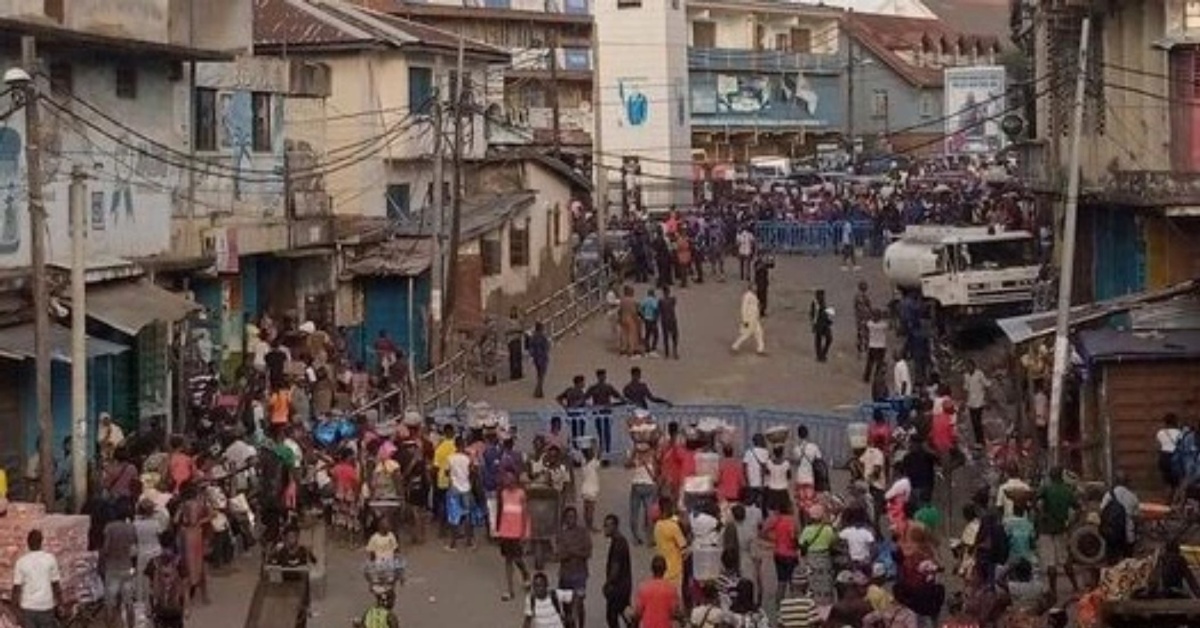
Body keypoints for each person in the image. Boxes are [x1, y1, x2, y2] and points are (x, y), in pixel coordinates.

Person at [1036, 467, 1079, 598]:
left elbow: (1037, 502)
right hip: (1061, 528)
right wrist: (1071, 523)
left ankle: (1053, 590)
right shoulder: (1067, 491)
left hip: (1046, 529)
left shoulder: (1046, 489)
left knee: (1051, 562)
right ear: (1061, 476)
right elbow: (1078, 507)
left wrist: (1042, 514)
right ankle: (1075, 586)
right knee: (1065, 558)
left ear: (1050, 476)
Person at [13, 530, 62, 628]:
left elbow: (16, 588)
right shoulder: (50, 559)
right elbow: (55, 585)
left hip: (28, 607)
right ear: (41, 542)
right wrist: (60, 603)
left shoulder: (21, 562)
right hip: (46, 606)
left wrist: (15, 609)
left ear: (28, 543)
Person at [496, 472, 532, 601]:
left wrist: (525, 532)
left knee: (517, 559)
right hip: (506, 532)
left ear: (515, 481)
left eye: (510, 480)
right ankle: (509, 590)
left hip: (517, 532)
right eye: (506, 480)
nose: (507, 482)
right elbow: (501, 512)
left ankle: (525, 573)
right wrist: (498, 530)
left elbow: (525, 514)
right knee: (508, 560)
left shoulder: (521, 494)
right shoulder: (503, 494)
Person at [557, 506, 592, 628]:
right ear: (564, 519)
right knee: (566, 606)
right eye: (568, 517)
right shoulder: (561, 534)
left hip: (580, 575)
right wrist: (577, 552)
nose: (571, 519)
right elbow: (560, 555)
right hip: (565, 575)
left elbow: (587, 553)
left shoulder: (583, 533)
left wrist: (570, 551)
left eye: (573, 516)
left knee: (579, 604)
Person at [762, 501, 799, 607]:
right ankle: (795, 605)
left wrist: (773, 539)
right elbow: (793, 536)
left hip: (778, 553)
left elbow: (764, 531)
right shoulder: (792, 521)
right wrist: (797, 544)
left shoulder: (776, 520)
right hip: (791, 554)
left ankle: (778, 605)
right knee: (793, 582)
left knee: (781, 582)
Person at [1099, 472, 1139, 562]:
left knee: (1112, 561)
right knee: (1127, 563)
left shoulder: (1109, 495)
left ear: (1116, 481)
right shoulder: (1132, 497)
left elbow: (1102, 510)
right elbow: (1136, 517)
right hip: (1127, 535)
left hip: (1112, 533)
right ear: (1127, 482)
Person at [146, 542, 187, 628]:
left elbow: (151, 589)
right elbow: (154, 593)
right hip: (167, 609)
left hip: (169, 610)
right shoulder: (178, 561)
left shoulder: (155, 562)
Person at [586, 369, 625, 458]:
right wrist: (589, 406)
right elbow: (585, 398)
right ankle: (602, 451)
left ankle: (607, 451)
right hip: (598, 413)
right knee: (600, 432)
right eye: (601, 376)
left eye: (604, 376)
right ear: (598, 377)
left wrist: (625, 401)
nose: (603, 377)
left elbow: (618, 396)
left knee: (607, 432)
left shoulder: (608, 387)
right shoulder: (593, 388)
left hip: (607, 413)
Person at [632, 556, 680, 628]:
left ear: (652, 569)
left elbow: (638, 613)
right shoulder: (671, 589)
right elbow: (674, 612)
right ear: (665, 569)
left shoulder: (643, 588)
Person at [602, 515, 632, 628]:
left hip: (618, 588)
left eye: (607, 526)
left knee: (612, 616)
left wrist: (608, 584)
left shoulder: (618, 544)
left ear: (614, 526)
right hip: (624, 586)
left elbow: (616, 567)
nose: (605, 528)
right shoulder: (620, 541)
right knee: (624, 613)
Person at [652, 498, 688, 585]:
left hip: (662, 568)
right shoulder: (673, 527)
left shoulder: (657, 525)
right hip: (674, 571)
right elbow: (684, 548)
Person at [963, 360, 991, 448]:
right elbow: (966, 389)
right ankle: (978, 441)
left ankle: (981, 441)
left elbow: (986, 385)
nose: (969, 368)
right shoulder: (966, 376)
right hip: (971, 402)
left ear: (974, 366)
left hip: (979, 401)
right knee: (974, 422)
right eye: (967, 366)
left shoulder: (979, 374)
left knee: (977, 421)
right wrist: (964, 402)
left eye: (970, 366)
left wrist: (987, 399)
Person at [731, 284, 765, 355]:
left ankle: (760, 349)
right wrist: (745, 320)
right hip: (749, 318)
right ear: (751, 287)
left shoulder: (754, 295)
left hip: (754, 318)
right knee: (746, 334)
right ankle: (735, 346)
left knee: (759, 333)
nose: (756, 288)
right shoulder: (747, 296)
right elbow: (743, 308)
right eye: (754, 287)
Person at [1157, 413, 1184, 491]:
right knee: (1178, 480)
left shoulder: (1160, 433)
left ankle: (1169, 495)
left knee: (1167, 480)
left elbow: (1159, 444)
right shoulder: (1180, 433)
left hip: (1164, 456)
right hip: (1176, 457)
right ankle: (1176, 495)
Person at [863, 310, 888, 383]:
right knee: (879, 363)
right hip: (881, 346)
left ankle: (866, 377)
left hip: (872, 345)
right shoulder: (883, 325)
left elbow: (865, 323)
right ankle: (877, 377)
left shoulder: (870, 324)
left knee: (870, 362)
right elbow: (888, 323)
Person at [528, 322, 552, 398]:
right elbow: (547, 347)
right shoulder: (543, 337)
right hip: (543, 358)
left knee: (539, 375)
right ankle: (538, 391)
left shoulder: (533, 337)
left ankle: (540, 391)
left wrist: (533, 356)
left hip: (536, 358)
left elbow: (530, 348)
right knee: (542, 376)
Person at [580, 448, 601, 531]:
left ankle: (586, 525)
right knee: (591, 510)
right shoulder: (593, 464)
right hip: (592, 490)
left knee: (586, 508)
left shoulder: (583, 463)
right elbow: (598, 456)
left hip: (584, 488)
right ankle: (590, 526)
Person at [809, 289, 832, 363]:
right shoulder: (815, 304)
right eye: (820, 295)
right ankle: (820, 355)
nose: (822, 297)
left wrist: (828, 320)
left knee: (828, 339)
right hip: (819, 324)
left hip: (824, 324)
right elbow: (813, 315)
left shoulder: (822, 302)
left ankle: (822, 354)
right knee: (819, 340)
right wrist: (814, 324)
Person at [658, 285, 680, 360]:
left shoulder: (661, 301)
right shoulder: (673, 299)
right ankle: (675, 351)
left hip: (664, 320)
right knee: (675, 336)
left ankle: (667, 353)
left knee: (666, 337)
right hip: (672, 319)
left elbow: (659, 310)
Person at [854, 281, 873, 358]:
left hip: (861, 317)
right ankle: (864, 350)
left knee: (862, 334)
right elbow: (869, 306)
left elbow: (855, 306)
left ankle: (861, 351)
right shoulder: (864, 297)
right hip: (863, 317)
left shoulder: (857, 296)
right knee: (864, 334)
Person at [639, 288, 660, 355]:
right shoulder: (653, 300)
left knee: (647, 334)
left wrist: (642, 316)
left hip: (646, 319)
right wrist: (656, 318)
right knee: (656, 334)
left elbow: (640, 308)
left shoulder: (645, 300)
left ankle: (647, 348)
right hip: (652, 319)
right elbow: (656, 309)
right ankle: (653, 347)